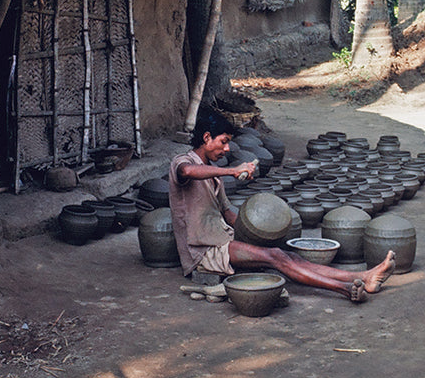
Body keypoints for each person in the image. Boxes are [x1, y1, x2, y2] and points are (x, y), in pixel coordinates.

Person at [168, 107, 394, 303]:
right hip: (204, 253)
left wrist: (258, 234)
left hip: (223, 240)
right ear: (207, 138)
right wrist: (232, 170)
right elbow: (188, 172)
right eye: (223, 142)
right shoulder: (182, 162)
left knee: (287, 255)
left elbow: (229, 214)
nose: (227, 149)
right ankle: (344, 289)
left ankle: (363, 277)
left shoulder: (214, 177)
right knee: (275, 257)